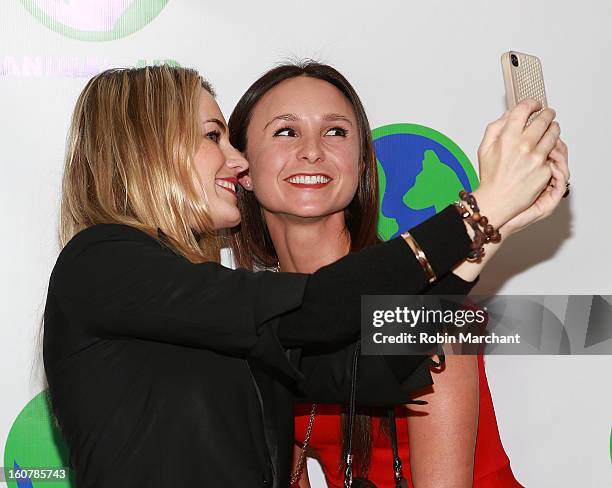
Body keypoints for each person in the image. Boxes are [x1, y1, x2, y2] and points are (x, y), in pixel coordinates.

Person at [228, 61, 569, 487]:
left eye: (336, 132)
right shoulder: (260, 313)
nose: (312, 150)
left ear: (361, 164)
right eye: (286, 131)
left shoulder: (428, 295)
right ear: (240, 168)